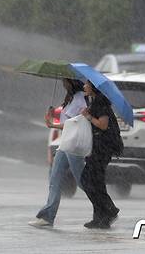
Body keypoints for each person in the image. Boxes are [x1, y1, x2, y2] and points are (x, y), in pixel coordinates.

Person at [28, 78, 87, 228]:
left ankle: (105, 208)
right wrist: (52, 113)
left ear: (72, 83)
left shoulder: (80, 100)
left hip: (73, 146)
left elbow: (74, 124)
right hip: (65, 144)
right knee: (55, 178)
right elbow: (66, 118)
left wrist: (52, 124)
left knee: (83, 182)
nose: (63, 84)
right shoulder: (71, 98)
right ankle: (47, 217)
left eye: (65, 81)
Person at [80, 80, 123, 229]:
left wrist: (88, 116)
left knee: (88, 180)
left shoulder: (101, 102)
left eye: (86, 84)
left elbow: (103, 125)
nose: (84, 86)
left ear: (93, 87)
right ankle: (100, 216)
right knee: (94, 181)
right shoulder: (94, 101)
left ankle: (109, 210)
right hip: (97, 146)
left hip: (102, 148)